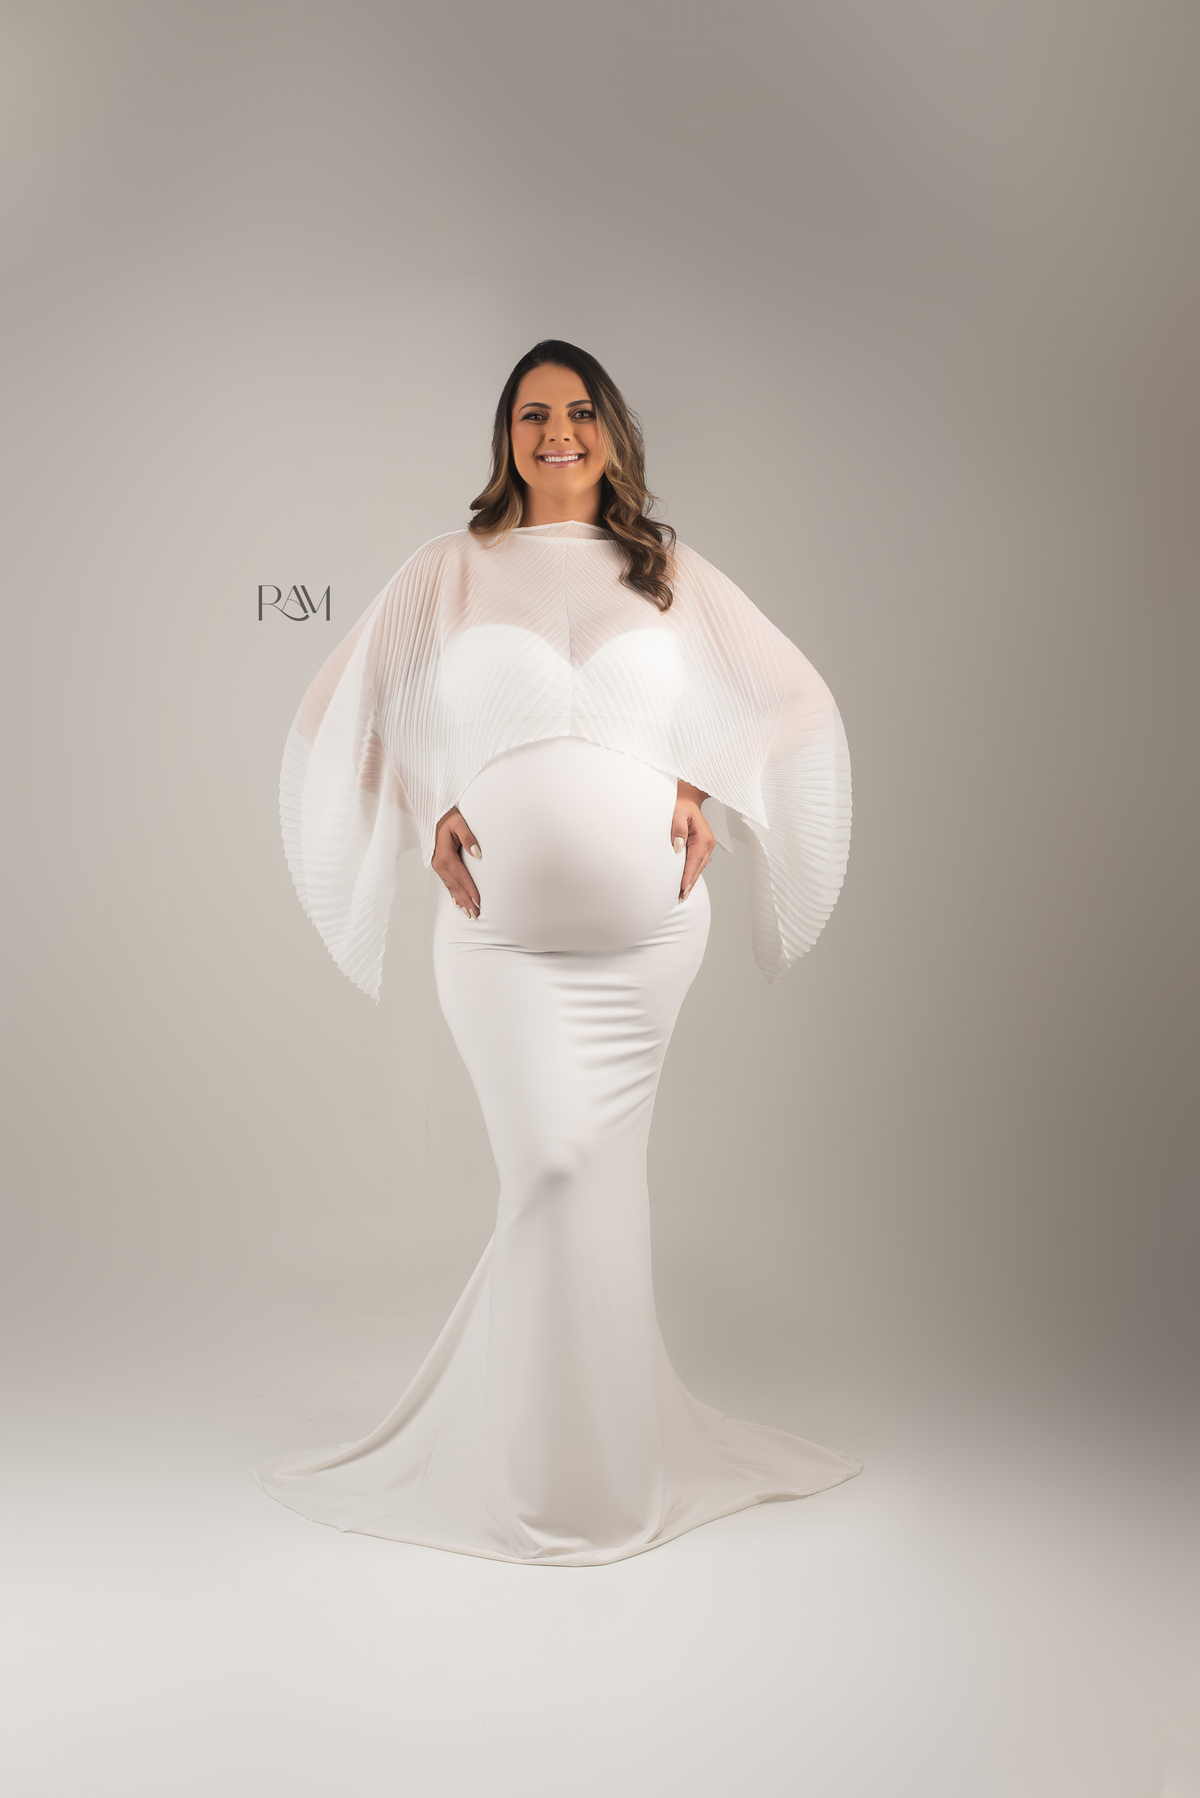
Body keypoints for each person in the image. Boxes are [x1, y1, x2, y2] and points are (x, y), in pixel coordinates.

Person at [254, 340, 859, 1564]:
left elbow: (795, 699)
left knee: (600, 1188)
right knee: (552, 1170)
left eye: (580, 410)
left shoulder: (666, 568)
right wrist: (428, 806)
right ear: (506, 438)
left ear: (612, 431)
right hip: (502, 951)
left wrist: (702, 779)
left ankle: (601, 1473)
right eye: (532, 414)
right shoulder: (449, 568)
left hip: (649, 948)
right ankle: (540, 1483)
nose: (558, 431)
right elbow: (335, 709)